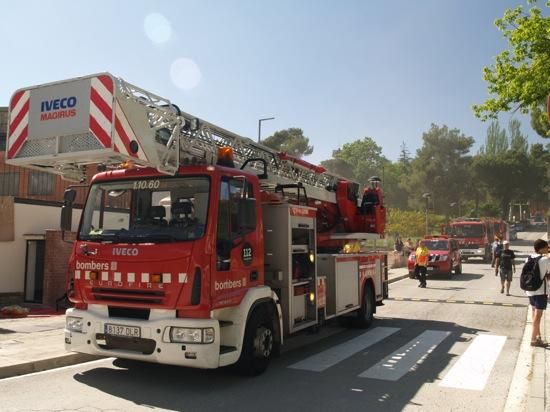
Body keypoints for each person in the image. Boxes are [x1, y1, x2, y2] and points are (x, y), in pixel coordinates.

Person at [525, 239, 550, 348]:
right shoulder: (545, 260)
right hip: (540, 291)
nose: (548, 249)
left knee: (534, 314)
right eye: (546, 247)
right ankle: (533, 339)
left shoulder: (529, 257)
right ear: (541, 248)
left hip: (530, 290)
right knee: (538, 316)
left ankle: (538, 336)